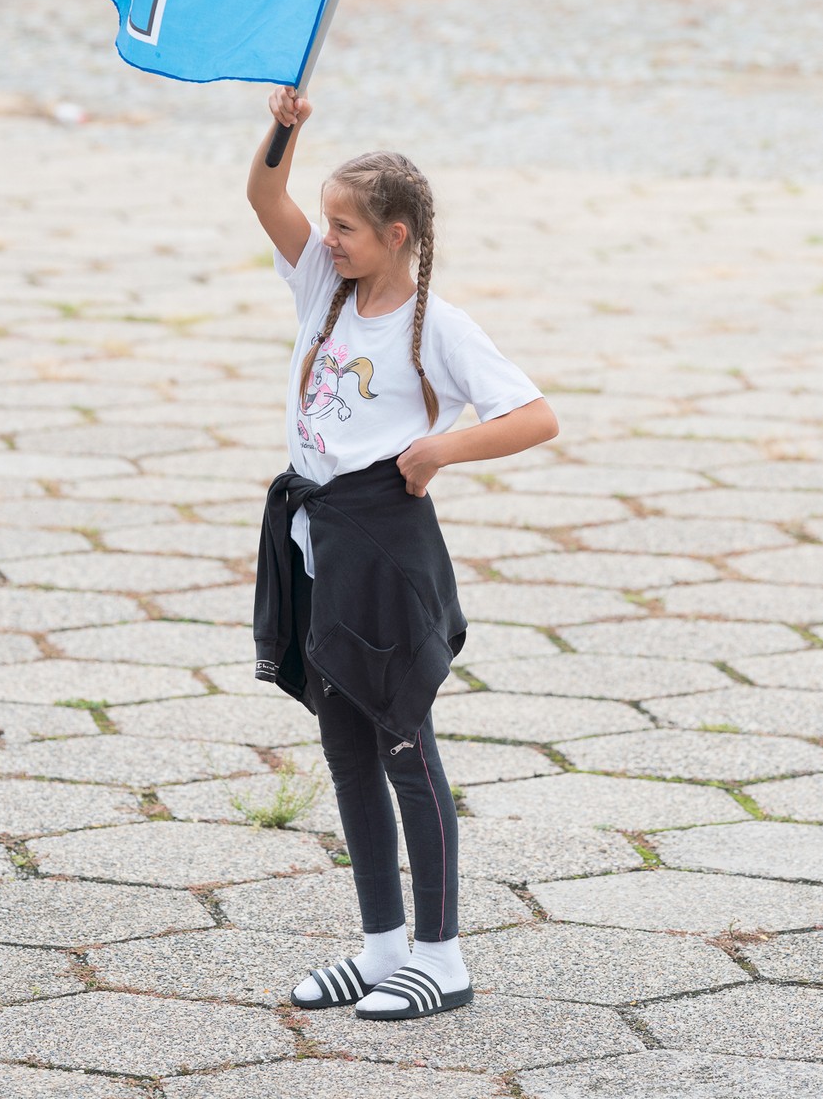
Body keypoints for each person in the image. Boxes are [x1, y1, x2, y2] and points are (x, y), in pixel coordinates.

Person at [247, 85, 559, 1023]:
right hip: (315, 541)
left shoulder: (440, 327)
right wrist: (284, 131)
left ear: (396, 234)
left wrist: (437, 450)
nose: (328, 238)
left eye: (346, 226)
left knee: (401, 745)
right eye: (329, 223)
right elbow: (265, 201)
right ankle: (382, 947)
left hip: (384, 547)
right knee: (343, 745)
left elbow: (534, 416)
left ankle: (441, 955)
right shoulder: (322, 291)